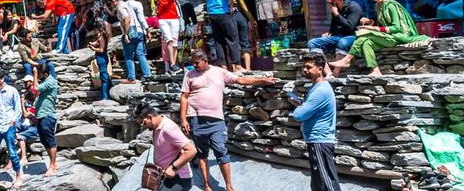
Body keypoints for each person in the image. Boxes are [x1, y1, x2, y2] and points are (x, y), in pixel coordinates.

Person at [179, 50, 276, 191]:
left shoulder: (219, 72)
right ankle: (207, 185)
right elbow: (184, 97)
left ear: (206, 61)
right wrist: (183, 119)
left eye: (197, 62)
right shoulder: (189, 75)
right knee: (202, 153)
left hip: (216, 120)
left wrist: (262, 80)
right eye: (193, 62)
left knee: (221, 150)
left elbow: (240, 80)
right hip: (196, 119)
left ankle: (229, 186)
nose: (194, 65)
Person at [330, 0, 422, 76]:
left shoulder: (390, 5)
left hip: (398, 36)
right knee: (366, 43)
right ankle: (376, 71)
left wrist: (372, 28)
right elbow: (382, 25)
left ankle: (347, 59)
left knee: (363, 35)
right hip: (389, 37)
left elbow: (396, 28)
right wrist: (370, 22)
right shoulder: (377, 6)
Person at [291, 52, 342, 191]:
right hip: (316, 140)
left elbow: (299, 115)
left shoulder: (321, 90)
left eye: (308, 67)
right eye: (304, 67)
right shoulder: (316, 87)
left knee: (327, 183)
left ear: (320, 69)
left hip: (320, 141)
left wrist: (300, 107)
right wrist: (302, 103)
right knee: (319, 182)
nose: (305, 70)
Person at [135, 104, 197, 191]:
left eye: (143, 122)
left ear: (149, 117)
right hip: (167, 177)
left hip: (179, 178)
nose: (142, 125)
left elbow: (191, 150)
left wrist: (173, 168)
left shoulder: (168, 128)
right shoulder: (157, 127)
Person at [307, 0, 363, 75]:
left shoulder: (353, 6)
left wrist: (337, 14)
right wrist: (329, 33)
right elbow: (334, 26)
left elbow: (350, 27)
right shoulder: (335, 7)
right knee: (312, 42)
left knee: (343, 42)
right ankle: (328, 73)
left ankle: (335, 73)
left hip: (353, 36)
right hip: (338, 36)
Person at [203, 0, 240, 70]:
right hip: (223, 11)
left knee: (219, 41)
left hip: (212, 13)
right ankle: (237, 66)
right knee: (232, 38)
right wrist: (231, 5)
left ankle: (223, 66)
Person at [150, 0, 183, 73]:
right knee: (169, 40)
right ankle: (172, 64)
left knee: (174, 43)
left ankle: (174, 65)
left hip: (174, 19)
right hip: (163, 19)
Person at [32, 61, 59, 175]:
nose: (39, 76)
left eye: (40, 73)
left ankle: (52, 166)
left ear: (46, 74)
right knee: (44, 140)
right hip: (41, 115)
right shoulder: (46, 80)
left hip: (47, 115)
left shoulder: (50, 82)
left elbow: (36, 88)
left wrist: (34, 75)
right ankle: (53, 163)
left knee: (50, 140)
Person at [117, 0, 151, 82]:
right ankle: (147, 74)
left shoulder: (124, 5)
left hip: (130, 31)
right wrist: (147, 29)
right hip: (139, 31)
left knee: (128, 55)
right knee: (140, 54)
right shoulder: (137, 4)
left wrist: (125, 34)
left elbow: (126, 19)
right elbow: (141, 17)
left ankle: (131, 77)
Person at [87, 8, 113, 100]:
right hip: (101, 57)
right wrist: (92, 44)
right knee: (104, 76)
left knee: (104, 77)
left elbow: (101, 49)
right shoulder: (101, 36)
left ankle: (105, 97)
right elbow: (96, 42)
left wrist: (93, 48)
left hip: (101, 57)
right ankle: (108, 93)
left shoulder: (102, 36)